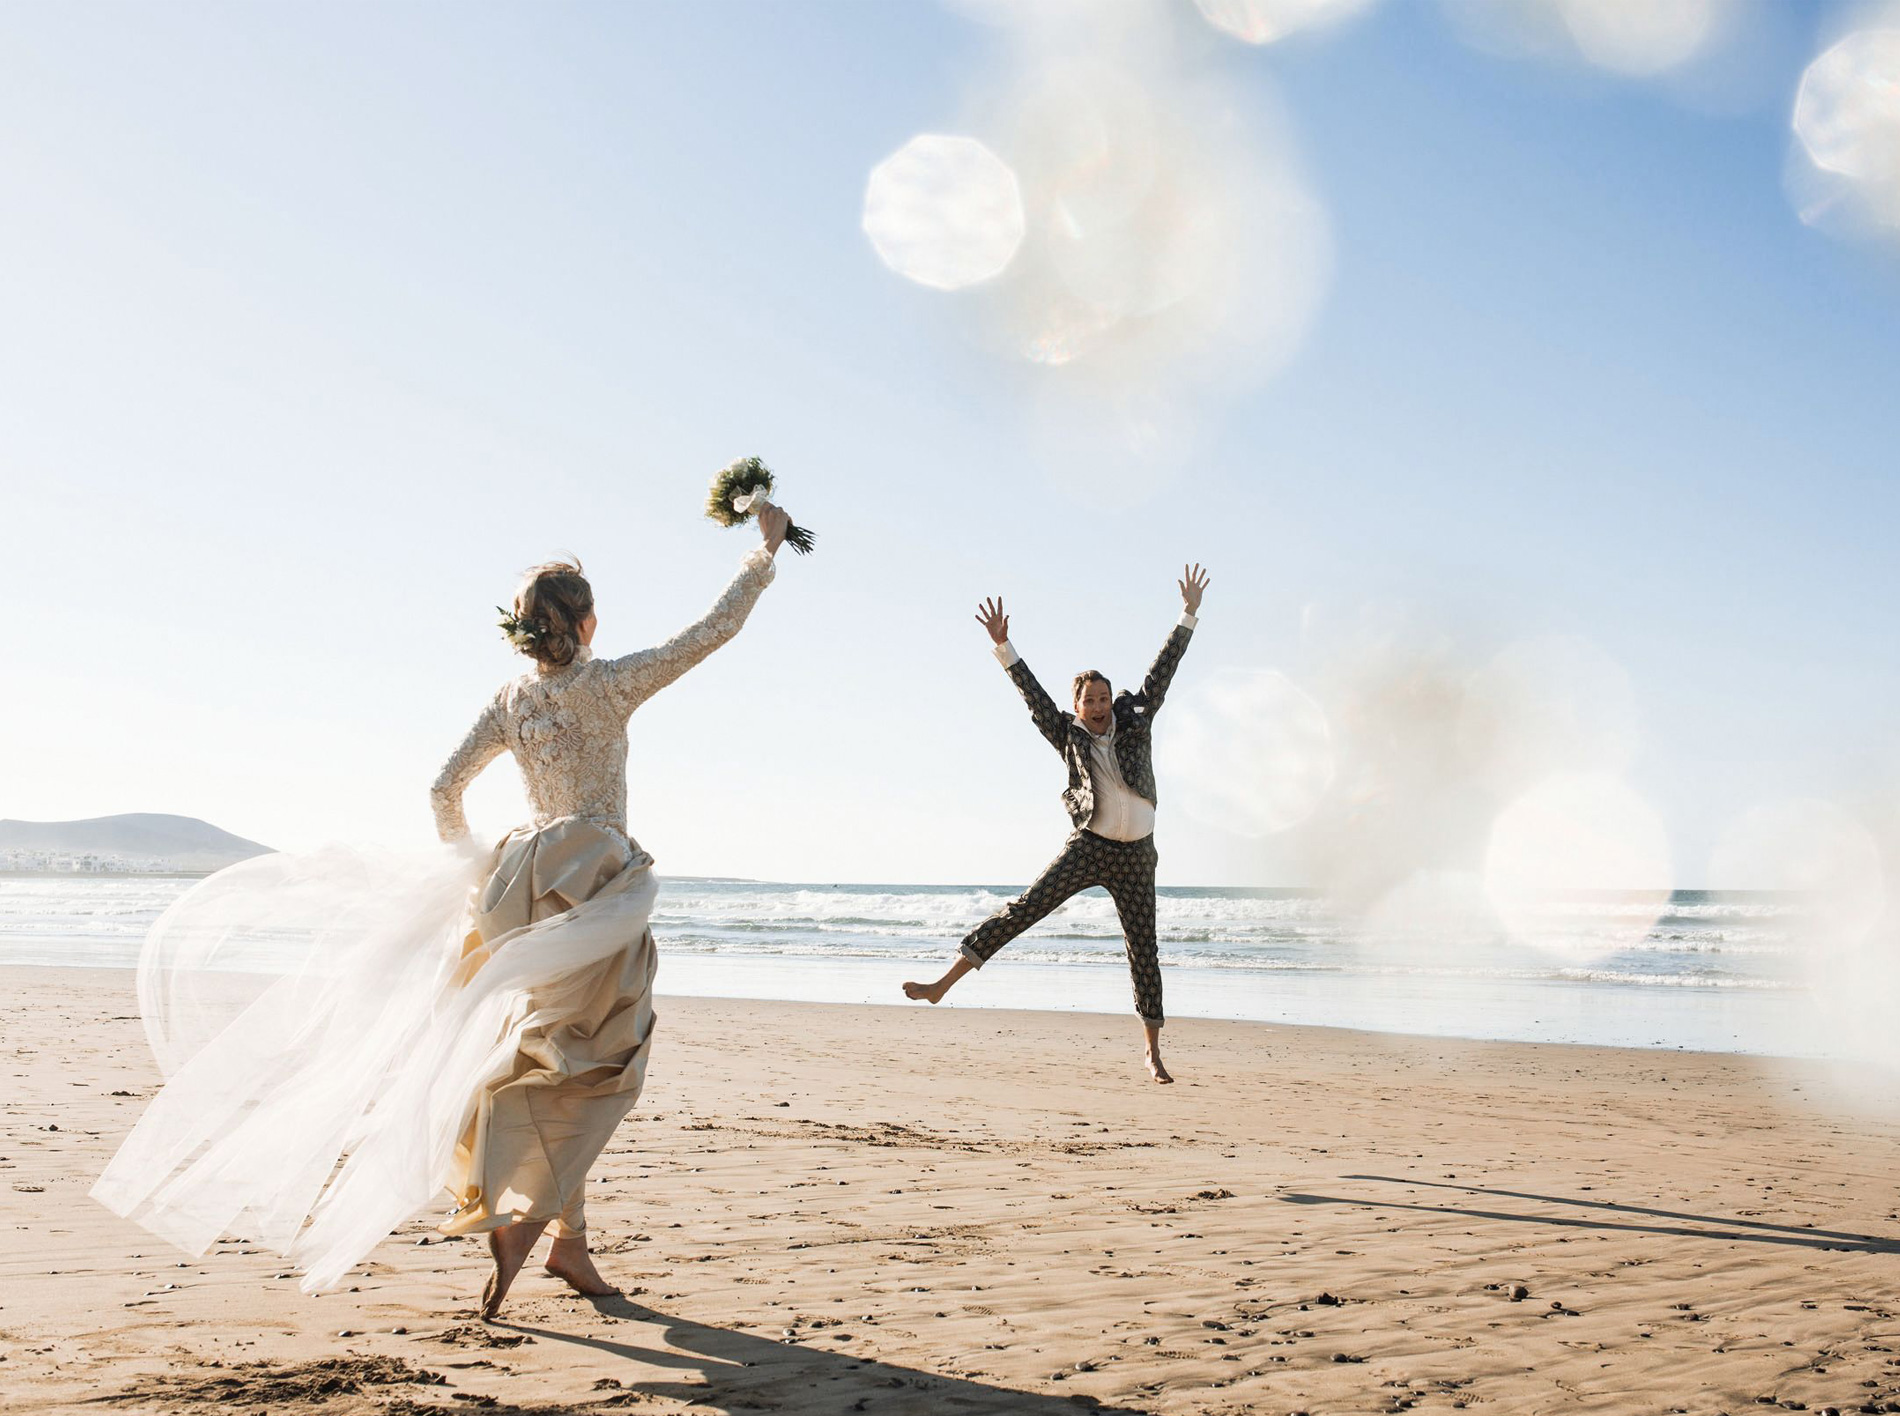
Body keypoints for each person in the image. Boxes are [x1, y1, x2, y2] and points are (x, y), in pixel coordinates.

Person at [92, 506, 791, 1317]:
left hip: (521, 886)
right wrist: (763, 550)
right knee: (608, 1064)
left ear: (526, 630)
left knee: (559, 1059)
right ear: (588, 621)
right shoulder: (607, 685)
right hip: (594, 882)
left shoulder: (509, 701)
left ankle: (570, 1243)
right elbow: (709, 633)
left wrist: (479, 871)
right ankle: (534, 1224)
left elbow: (442, 791)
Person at [903, 565, 1209, 1084]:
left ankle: (1152, 1051)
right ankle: (942, 984)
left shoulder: (1137, 720)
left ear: (1112, 700)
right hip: (1089, 846)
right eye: (1087, 700)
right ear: (1077, 706)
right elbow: (1034, 698)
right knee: (1025, 908)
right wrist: (1005, 648)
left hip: (1137, 856)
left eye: (1102, 698)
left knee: (1144, 950)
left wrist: (1189, 613)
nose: (1096, 706)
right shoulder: (1067, 734)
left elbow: (1164, 669)